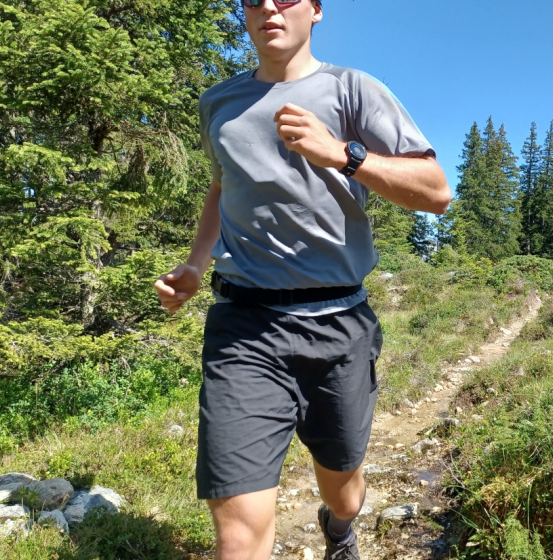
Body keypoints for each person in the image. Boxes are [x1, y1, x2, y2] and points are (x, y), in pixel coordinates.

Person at [152, 0, 450, 558]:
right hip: (244, 328)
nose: (269, 6)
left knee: (345, 495)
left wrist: (343, 155)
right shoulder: (218, 103)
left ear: (315, 10)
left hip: (339, 324)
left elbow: (435, 191)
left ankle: (338, 528)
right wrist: (196, 263)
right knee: (238, 534)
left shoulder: (352, 90)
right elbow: (221, 186)